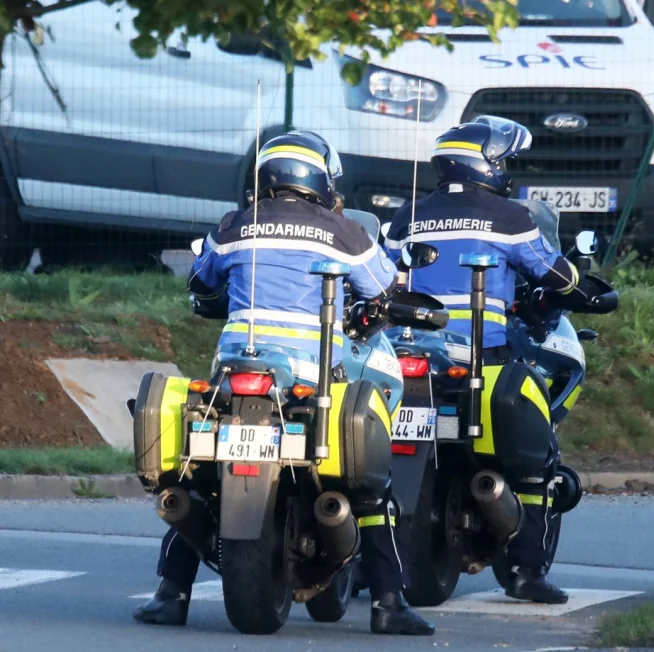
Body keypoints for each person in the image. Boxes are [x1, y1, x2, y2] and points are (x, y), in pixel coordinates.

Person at [132, 130, 435, 636]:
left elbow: (201, 283)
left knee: (198, 476)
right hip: (311, 373)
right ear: (321, 179)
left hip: (236, 369)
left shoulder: (235, 225)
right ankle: (388, 603)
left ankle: (170, 594)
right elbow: (384, 287)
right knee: (369, 487)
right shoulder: (345, 232)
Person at [383, 115, 597, 605]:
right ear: (489, 166)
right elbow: (553, 273)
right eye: (508, 163)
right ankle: (525, 573)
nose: (510, 172)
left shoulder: (407, 216)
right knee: (535, 460)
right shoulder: (510, 217)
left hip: (406, 357)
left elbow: (382, 275)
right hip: (485, 360)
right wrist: (578, 286)